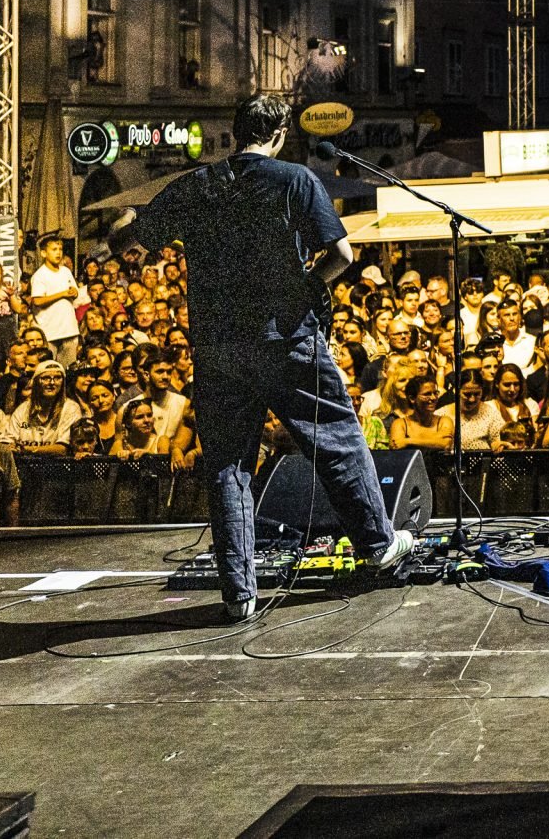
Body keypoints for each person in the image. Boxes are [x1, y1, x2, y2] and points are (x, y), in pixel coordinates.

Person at [130, 94, 414, 622]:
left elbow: (134, 236)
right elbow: (341, 256)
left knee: (228, 464)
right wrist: (307, 286)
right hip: (287, 337)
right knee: (335, 439)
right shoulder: (295, 179)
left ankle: (239, 593)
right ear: (281, 133)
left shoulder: (197, 184)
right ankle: (378, 545)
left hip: (218, 344)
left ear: (237, 131)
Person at [25, 236, 86, 370]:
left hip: (69, 329)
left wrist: (74, 292)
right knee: (49, 369)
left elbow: (75, 292)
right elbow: (37, 300)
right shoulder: (40, 275)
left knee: (69, 370)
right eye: (54, 249)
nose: (58, 253)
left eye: (60, 249)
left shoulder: (66, 271)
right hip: (49, 332)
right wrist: (62, 294)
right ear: (43, 253)